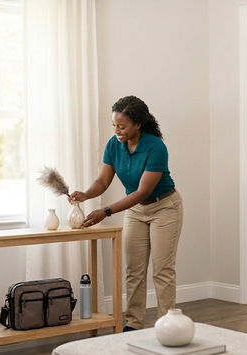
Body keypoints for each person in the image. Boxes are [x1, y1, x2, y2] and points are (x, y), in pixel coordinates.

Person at [69, 95, 184, 331]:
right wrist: (86, 195)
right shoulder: (114, 144)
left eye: (121, 126)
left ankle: (168, 325)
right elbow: (103, 179)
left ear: (138, 124)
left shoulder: (156, 147)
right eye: (114, 125)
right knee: (134, 271)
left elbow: (142, 191)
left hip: (164, 208)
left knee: (162, 271)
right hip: (136, 211)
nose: (117, 130)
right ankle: (132, 324)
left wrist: (107, 210)